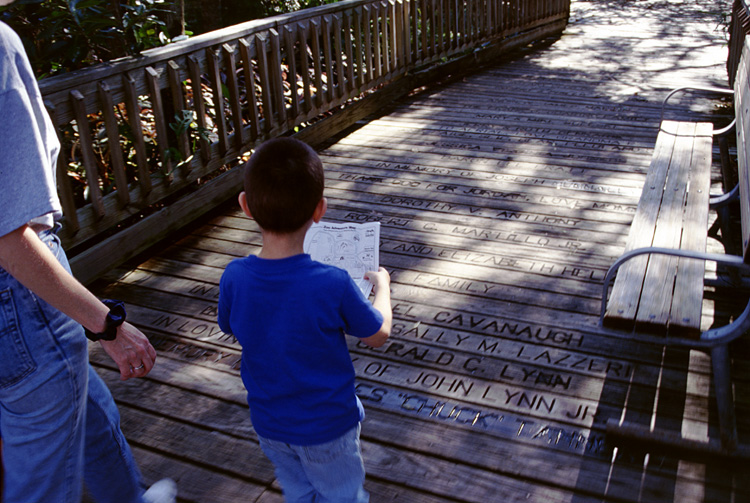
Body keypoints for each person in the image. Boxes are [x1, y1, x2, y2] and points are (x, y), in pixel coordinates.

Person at [0, 12, 176, 503]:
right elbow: (8, 237)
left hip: (18, 301)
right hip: (19, 297)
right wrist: (108, 325)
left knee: (91, 418)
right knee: (42, 481)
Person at [217, 137, 392, 503]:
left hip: (270, 424)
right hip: (327, 427)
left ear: (245, 206)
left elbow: (230, 326)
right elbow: (378, 334)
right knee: (344, 496)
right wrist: (383, 289)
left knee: (300, 492)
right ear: (319, 210)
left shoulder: (234, 275)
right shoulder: (332, 282)